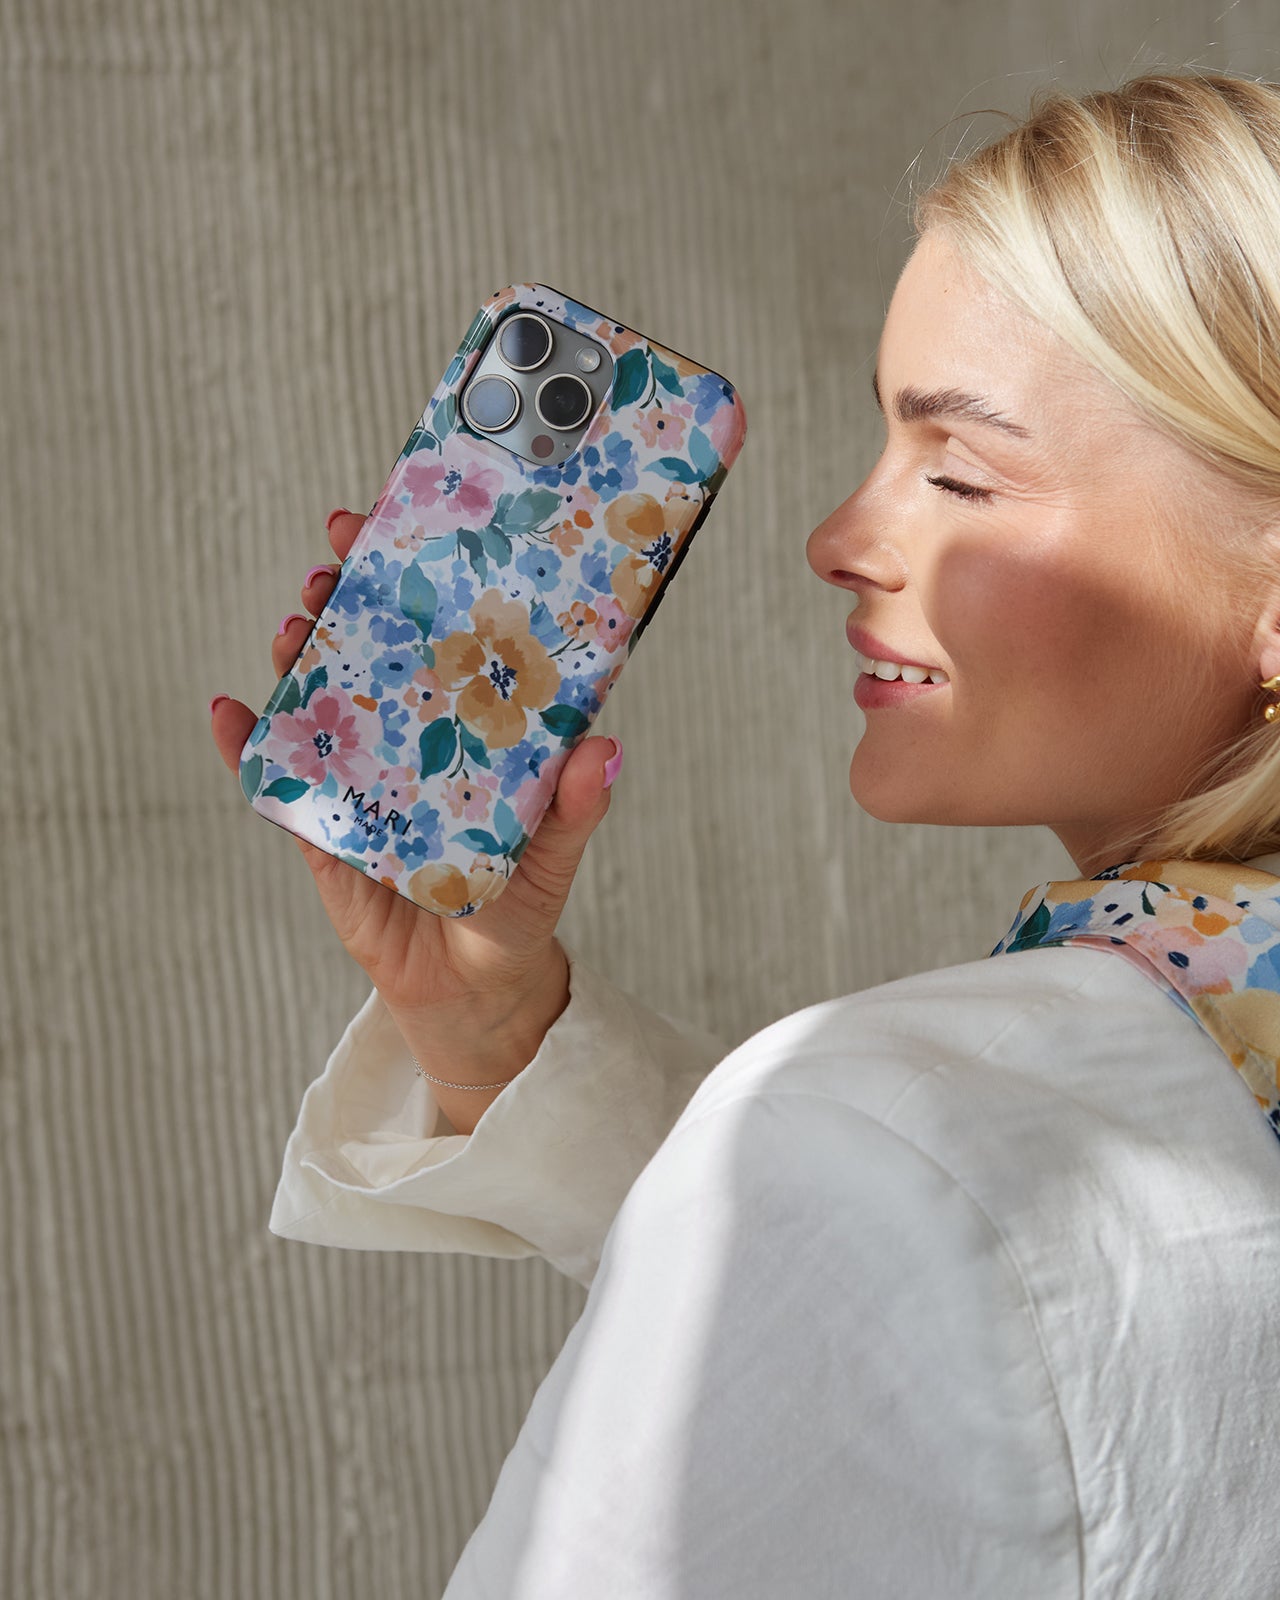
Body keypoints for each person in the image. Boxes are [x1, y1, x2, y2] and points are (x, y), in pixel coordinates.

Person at [210, 69, 1280, 1598]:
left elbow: (936, 1265)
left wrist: (776, 1165)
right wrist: (511, 1046)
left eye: (959, 470)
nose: (838, 539)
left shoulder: (895, 1133)